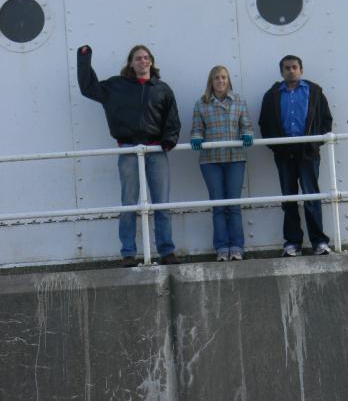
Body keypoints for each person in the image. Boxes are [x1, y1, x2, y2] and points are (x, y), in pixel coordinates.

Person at [77, 44, 181, 266]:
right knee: (129, 204)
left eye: (146, 57)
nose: (143, 61)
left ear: (151, 62)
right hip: (128, 150)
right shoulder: (117, 86)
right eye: (138, 58)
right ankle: (128, 253)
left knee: (162, 204)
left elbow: (172, 119)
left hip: (156, 150)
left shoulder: (162, 89)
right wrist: (84, 58)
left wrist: (169, 141)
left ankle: (167, 251)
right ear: (131, 63)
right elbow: (88, 88)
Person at [259, 55, 333, 257]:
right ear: (281, 72)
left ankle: (319, 242)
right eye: (287, 68)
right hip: (284, 153)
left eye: (294, 67)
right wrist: (276, 147)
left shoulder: (314, 92)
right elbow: (264, 123)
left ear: (301, 70)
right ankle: (292, 243)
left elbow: (326, 121)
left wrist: (314, 143)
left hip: (308, 152)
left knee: (312, 197)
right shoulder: (272, 95)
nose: (291, 71)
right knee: (289, 199)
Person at [191, 66, 254, 262]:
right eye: (217, 78)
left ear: (228, 80)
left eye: (224, 77)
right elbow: (197, 128)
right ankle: (221, 247)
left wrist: (247, 135)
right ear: (211, 81)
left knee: (233, 204)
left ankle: (236, 247)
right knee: (218, 205)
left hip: (235, 158)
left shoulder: (239, 101)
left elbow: (247, 126)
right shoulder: (201, 104)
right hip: (211, 161)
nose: (220, 81)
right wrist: (196, 137)